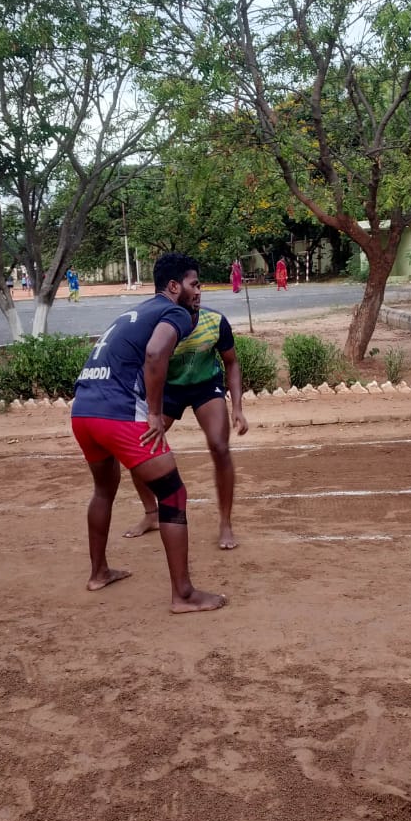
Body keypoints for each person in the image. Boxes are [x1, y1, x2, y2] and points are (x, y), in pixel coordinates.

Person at [70, 251, 227, 613]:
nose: (199, 292)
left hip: (84, 409)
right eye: (194, 284)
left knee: (103, 489)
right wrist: (154, 414)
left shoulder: (139, 310)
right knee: (172, 494)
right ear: (174, 287)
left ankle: (99, 573)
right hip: (118, 412)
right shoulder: (174, 312)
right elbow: (156, 354)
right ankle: (183, 595)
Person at [123, 294, 250, 550]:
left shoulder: (215, 321)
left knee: (220, 447)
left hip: (205, 387)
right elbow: (145, 366)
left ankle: (225, 523)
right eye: (192, 285)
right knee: (138, 447)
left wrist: (237, 407)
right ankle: (151, 514)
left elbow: (231, 362)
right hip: (168, 390)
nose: (198, 291)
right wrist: (150, 410)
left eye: (199, 285)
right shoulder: (159, 328)